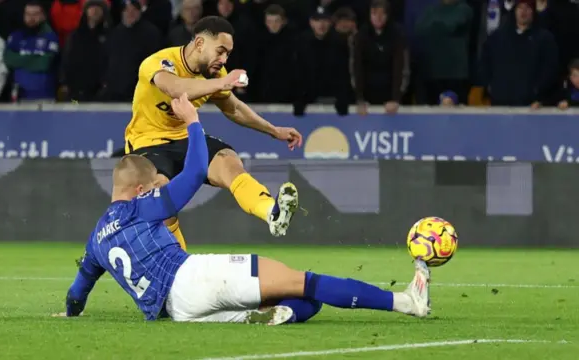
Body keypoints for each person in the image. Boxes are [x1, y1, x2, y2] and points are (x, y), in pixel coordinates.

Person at [54, 94, 432, 324]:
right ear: (139, 189)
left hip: (176, 311)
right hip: (195, 279)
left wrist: (70, 314)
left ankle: (282, 314)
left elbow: (77, 291)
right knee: (309, 283)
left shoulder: (97, 238)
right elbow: (198, 169)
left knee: (304, 303)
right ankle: (406, 302)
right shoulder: (143, 206)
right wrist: (193, 123)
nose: (159, 186)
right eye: (154, 183)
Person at [123, 16, 303, 251]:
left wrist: (274, 131)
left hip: (185, 139)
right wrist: (222, 83)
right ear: (199, 43)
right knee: (160, 193)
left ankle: (272, 212)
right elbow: (176, 88)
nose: (224, 59)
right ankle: (177, 265)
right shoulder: (159, 62)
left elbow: (234, 108)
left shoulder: (215, 75)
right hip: (147, 143)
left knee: (228, 161)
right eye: (220, 51)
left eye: (227, 54)